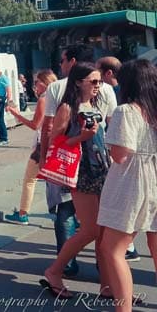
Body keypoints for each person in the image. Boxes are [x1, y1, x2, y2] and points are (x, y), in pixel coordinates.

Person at [42, 62, 113, 298]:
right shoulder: (68, 107)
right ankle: (54, 271)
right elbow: (56, 142)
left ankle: (107, 284)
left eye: (100, 82)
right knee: (91, 229)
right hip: (81, 172)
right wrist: (81, 136)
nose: (98, 86)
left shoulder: (94, 103)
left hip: (101, 170)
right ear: (78, 82)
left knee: (102, 231)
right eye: (93, 82)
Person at [97, 60, 157, 307]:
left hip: (132, 184)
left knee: (112, 250)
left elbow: (120, 155)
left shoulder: (126, 111)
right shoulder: (154, 113)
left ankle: (123, 307)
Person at [4, 69, 57, 225]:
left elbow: (36, 125)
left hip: (43, 146)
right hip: (58, 143)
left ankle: (22, 214)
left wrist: (17, 115)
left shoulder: (44, 99)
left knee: (29, 180)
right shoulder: (59, 97)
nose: (35, 86)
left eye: (37, 82)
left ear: (45, 82)